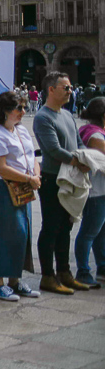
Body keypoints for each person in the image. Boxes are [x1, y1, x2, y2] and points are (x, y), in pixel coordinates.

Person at [33, 71, 92, 293]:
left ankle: (64, 272)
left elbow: (78, 142)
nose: (70, 91)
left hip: (70, 177)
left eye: (70, 87)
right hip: (53, 179)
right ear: (51, 89)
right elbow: (53, 150)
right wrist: (78, 162)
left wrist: (86, 158)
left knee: (66, 227)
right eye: (66, 87)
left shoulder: (67, 115)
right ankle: (47, 276)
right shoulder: (42, 117)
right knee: (51, 227)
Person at [0, 90, 42, 301]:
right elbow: (1, 167)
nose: (23, 112)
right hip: (3, 185)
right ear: (5, 110)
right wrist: (29, 179)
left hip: (24, 183)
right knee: (3, 232)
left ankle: (15, 280)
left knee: (21, 232)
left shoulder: (20, 130)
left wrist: (35, 174)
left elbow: (31, 156)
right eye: (18, 108)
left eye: (23, 107)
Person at [74, 97, 105, 288]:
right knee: (89, 232)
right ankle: (83, 271)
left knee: (100, 232)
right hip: (96, 191)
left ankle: (102, 266)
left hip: (98, 190)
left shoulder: (89, 130)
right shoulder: (96, 137)